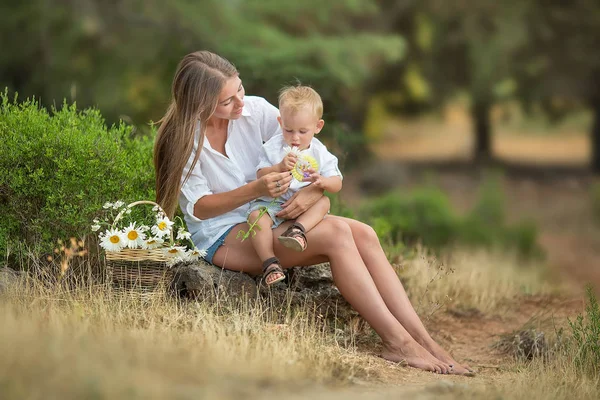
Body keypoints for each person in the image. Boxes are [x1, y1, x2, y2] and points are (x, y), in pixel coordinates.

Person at [153, 50, 474, 375]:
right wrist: (257, 189)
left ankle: (425, 342)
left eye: (239, 89)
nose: (240, 103)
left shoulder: (255, 110)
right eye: (227, 101)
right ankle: (399, 345)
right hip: (223, 235)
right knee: (336, 235)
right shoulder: (182, 141)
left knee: (364, 233)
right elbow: (200, 207)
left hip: (271, 215)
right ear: (200, 104)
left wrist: (312, 193)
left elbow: (307, 145)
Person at [245, 85, 342, 285]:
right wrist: (279, 166)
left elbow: (337, 183)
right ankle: (269, 262)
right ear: (280, 122)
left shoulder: (320, 152)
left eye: (303, 131)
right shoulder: (273, 147)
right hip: (272, 204)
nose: (295, 138)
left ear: (318, 126)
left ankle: (298, 230)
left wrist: (322, 181)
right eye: (288, 130)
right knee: (255, 218)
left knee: (323, 202)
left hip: (302, 209)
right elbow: (260, 174)